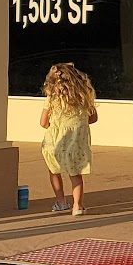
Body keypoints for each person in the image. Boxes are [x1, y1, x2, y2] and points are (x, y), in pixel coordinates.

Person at [39, 63, 98, 214]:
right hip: (75, 144)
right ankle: (77, 206)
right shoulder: (84, 98)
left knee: (54, 171)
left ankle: (61, 202)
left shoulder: (51, 98)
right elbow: (93, 118)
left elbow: (43, 123)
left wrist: (56, 125)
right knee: (75, 175)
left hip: (54, 142)